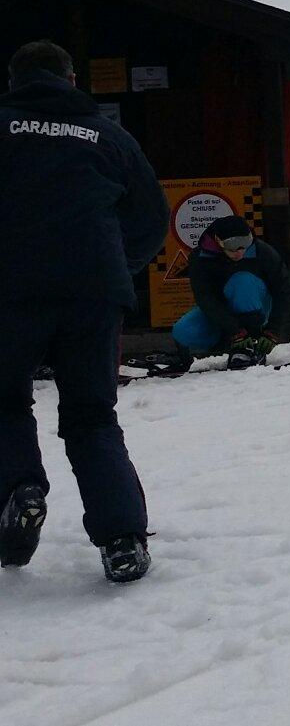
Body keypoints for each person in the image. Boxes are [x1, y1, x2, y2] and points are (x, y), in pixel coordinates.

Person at [0, 40, 168, 583]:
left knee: (3, 401)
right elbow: (150, 217)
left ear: (13, 83)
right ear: (72, 79)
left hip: (10, 292)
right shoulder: (109, 136)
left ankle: (19, 492)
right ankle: (122, 541)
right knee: (91, 416)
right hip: (94, 294)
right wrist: (117, 265)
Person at [164, 215, 290, 373]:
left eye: (245, 243)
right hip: (222, 315)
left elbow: (284, 291)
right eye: (232, 245)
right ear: (218, 241)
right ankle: (184, 357)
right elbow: (205, 298)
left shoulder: (263, 253)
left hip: (258, 309)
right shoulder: (200, 259)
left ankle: (251, 347)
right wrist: (234, 330)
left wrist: (273, 329)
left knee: (242, 280)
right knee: (182, 329)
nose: (240, 251)